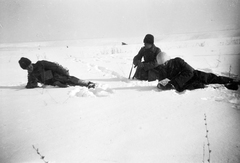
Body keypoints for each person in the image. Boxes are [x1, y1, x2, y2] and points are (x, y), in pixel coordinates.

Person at [155, 52, 239, 92]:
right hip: (185, 85)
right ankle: (227, 87)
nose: (164, 65)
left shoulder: (178, 61)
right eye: (162, 64)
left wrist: (174, 82)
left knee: (212, 78)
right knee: (207, 88)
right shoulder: (161, 70)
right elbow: (162, 81)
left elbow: (190, 71)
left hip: (194, 75)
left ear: (168, 60)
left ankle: (231, 80)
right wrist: (161, 85)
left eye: (165, 63)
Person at [18, 57, 96, 89]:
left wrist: (64, 72)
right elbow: (30, 85)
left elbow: (55, 66)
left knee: (69, 79)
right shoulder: (31, 75)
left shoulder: (40, 64)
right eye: (27, 68)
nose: (29, 68)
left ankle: (87, 83)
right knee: (66, 85)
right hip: (52, 83)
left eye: (30, 65)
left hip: (57, 76)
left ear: (31, 63)